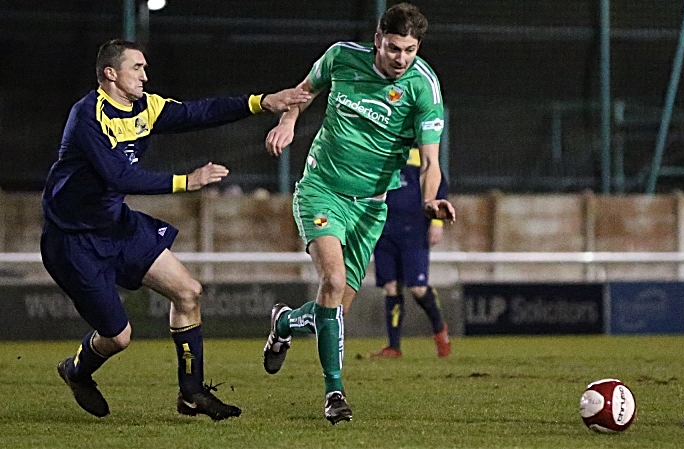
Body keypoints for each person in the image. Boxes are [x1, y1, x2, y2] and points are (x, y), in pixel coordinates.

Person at [41, 38, 309, 420]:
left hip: (117, 225)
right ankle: (76, 370)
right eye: (137, 68)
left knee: (188, 292)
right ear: (110, 73)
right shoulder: (87, 116)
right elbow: (118, 175)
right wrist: (188, 181)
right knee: (118, 337)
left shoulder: (146, 107)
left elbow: (201, 112)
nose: (145, 76)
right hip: (72, 242)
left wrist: (262, 102)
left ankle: (191, 393)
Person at [262, 3, 456, 424]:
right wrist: (289, 121)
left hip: (370, 208)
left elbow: (429, 162)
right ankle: (335, 392)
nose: (401, 58)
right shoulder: (340, 57)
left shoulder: (424, 88)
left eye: (409, 49)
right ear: (377, 41)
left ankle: (284, 324)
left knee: (333, 310)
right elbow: (303, 92)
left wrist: (429, 203)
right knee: (331, 281)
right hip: (322, 189)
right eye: (393, 48)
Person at [370, 148, 451, 359]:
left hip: (414, 232)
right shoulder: (380, 153)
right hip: (384, 232)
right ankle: (394, 346)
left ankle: (439, 329)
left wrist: (436, 222)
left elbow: (438, 186)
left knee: (418, 289)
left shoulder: (420, 156)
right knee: (390, 287)